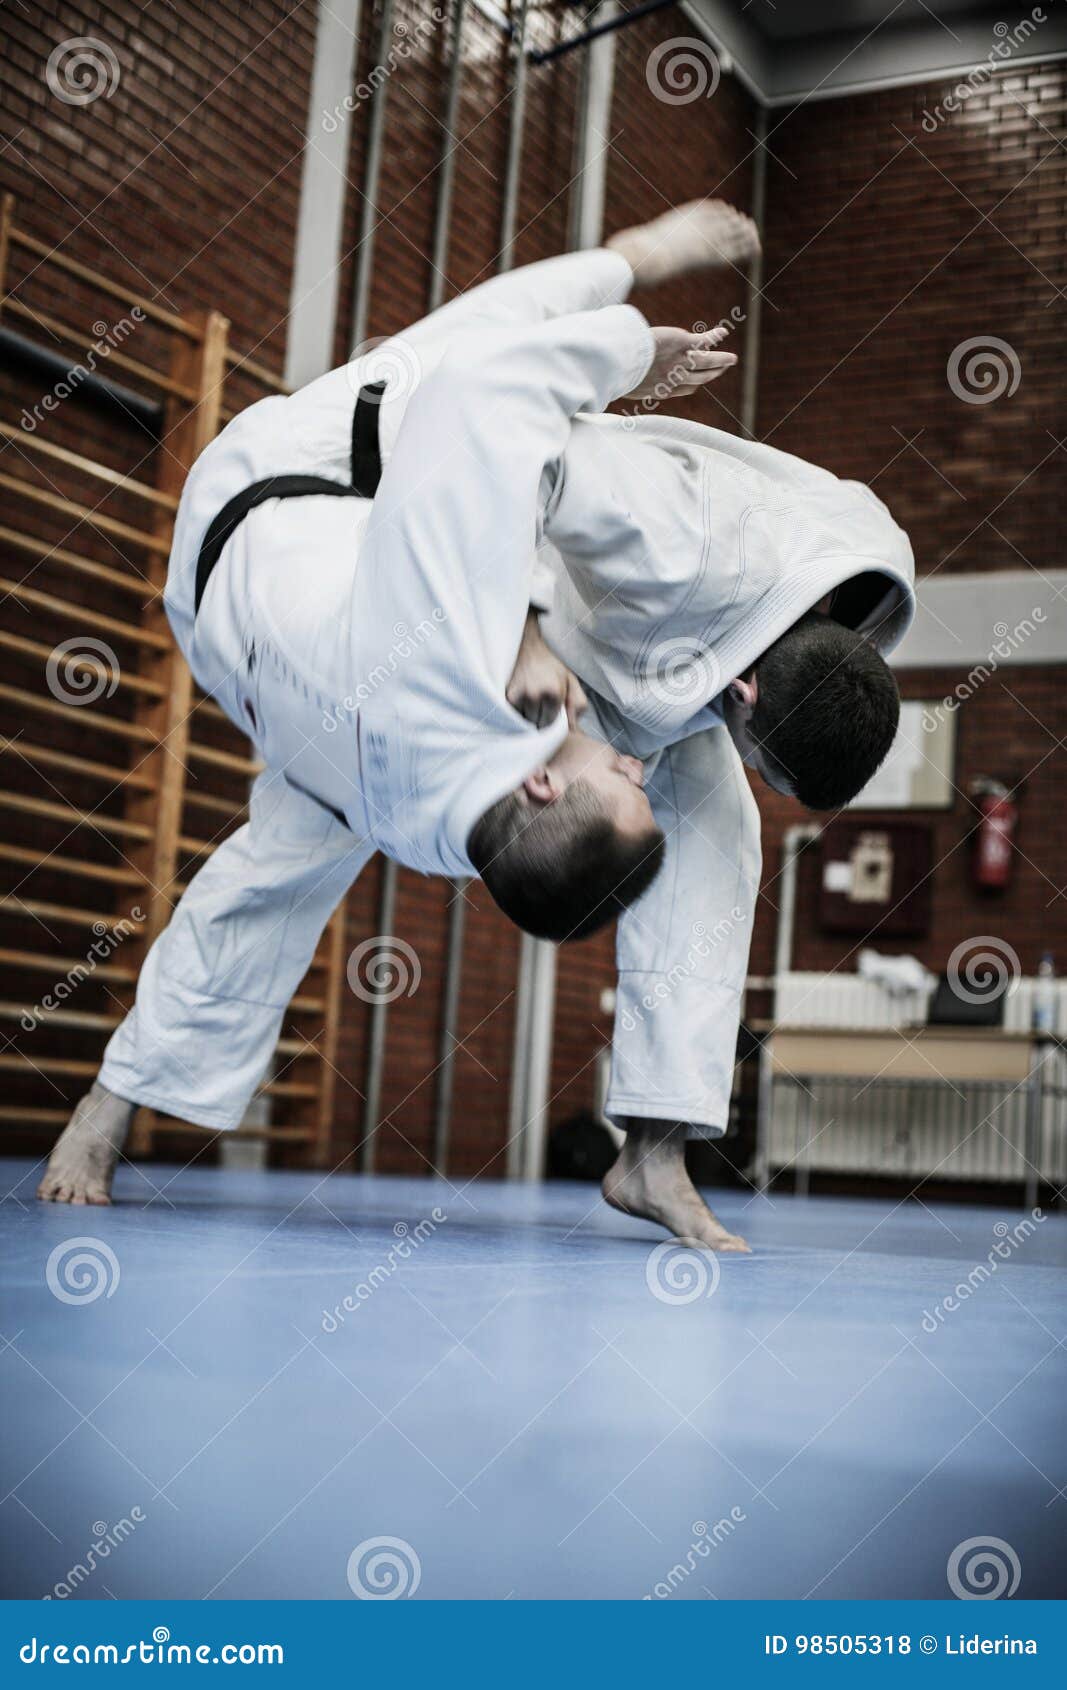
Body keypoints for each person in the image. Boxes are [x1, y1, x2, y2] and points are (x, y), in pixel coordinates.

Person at [39, 202, 916, 1254]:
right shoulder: (470, 789)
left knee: (675, 787)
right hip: (316, 493)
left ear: (540, 782)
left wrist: (519, 625)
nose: (632, 757)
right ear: (747, 698)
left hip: (321, 612)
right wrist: (525, 626)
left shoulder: (466, 695)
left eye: (612, 774)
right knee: (480, 345)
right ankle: (114, 1101)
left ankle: (650, 1144)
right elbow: (489, 398)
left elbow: (496, 419)